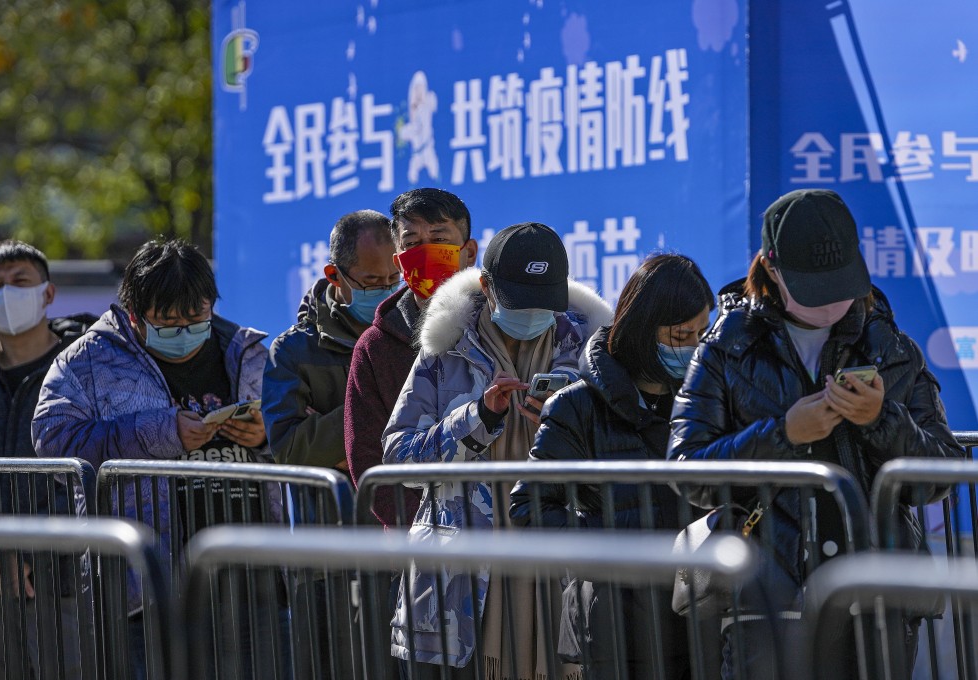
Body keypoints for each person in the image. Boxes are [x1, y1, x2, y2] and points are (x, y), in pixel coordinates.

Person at [667, 189, 965, 680]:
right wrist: (784, 434)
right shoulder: (726, 348)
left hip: (876, 603)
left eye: (839, 282)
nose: (830, 301)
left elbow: (939, 475)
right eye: (812, 285)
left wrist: (881, 421)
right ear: (772, 268)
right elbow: (688, 471)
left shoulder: (890, 345)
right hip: (765, 602)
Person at [32, 238, 286, 679]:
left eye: (196, 317)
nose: (185, 331)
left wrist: (266, 436)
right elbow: (54, 441)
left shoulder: (246, 350)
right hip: (146, 584)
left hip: (251, 576)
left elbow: (293, 431)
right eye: (168, 323)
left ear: (211, 303)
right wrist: (162, 433)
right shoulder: (87, 360)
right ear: (134, 315)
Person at [382, 222, 613, 679]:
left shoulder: (591, 352)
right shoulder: (444, 350)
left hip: (560, 573)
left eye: (543, 304)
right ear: (486, 286)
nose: (531, 314)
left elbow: (619, 456)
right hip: (459, 586)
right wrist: (478, 419)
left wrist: (564, 425)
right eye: (517, 302)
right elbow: (396, 459)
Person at [508, 253, 714, 679]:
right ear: (642, 327)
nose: (693, 346)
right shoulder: (577, 406)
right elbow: (528, 508)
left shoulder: (703, 400)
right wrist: (610, 546)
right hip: (615, 626)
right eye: (680, 334)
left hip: (699, 616)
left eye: (701, 333)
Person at [0, 240, 96, 680]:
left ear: (48, 294)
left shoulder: (86, 371)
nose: (6, 294)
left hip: (64, 585)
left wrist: (29, 547)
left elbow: (100, 470)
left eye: (20, 281)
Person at [345, 188, 478, 528]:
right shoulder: (374, 347)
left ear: (469, 253)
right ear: (399, 260)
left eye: (439, 238)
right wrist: (421, 527)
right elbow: (367, 459)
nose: (426, 252)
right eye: (412, 242)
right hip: (423, 541)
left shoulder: (499, 326)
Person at [263, 209, 401, 470]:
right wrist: (373, 406)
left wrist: (338, 445)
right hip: (337, 509)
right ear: (334, 275)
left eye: (394, 279)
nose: (386, 292)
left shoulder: (414, 332)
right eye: (371, 282)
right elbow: (291, 452)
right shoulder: (294, 350)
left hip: (412, 509)